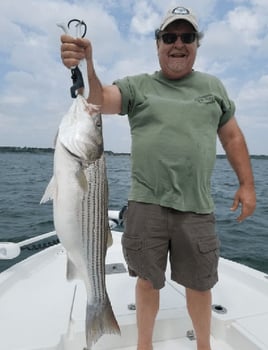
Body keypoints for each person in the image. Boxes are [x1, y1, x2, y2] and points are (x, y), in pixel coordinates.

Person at [60, 6, 256, 350]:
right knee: (148, 282)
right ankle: (144, 345)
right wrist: (86, 63)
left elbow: (233, 138)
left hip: (196, 206)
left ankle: (204, 346)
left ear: (196, 43)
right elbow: (98, 100)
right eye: (169, 36)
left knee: (200, 284)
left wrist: (247, 184)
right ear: (158, 43)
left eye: (187, 37)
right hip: (145, 205)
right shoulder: (139, 85)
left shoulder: (214, 87)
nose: (178, 44)